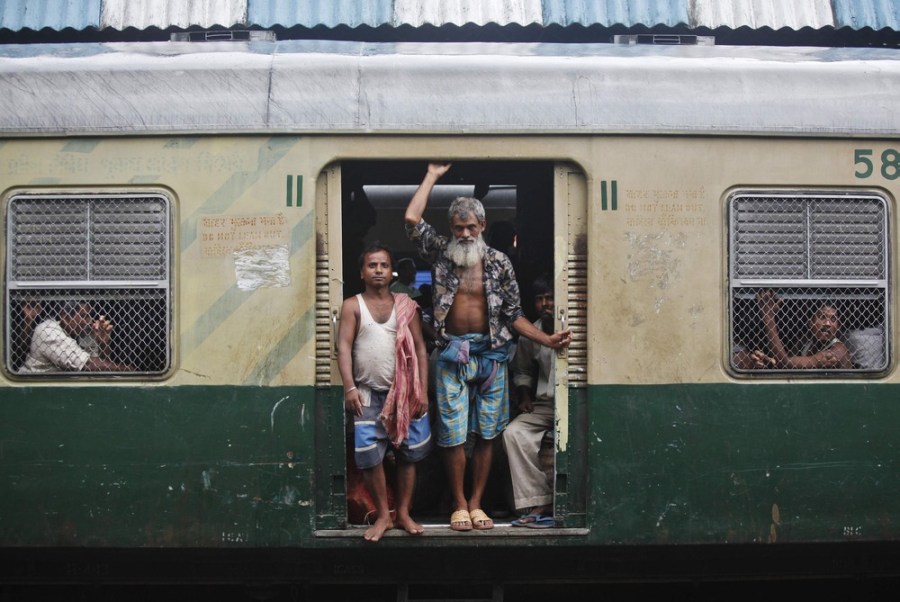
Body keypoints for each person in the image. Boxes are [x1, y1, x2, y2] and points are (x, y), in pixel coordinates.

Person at [405, 162, 571, 532]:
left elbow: (514, 314)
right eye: (458, 227)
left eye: (471, 227)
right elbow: (412, 218)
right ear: (451, 228)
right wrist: (432, 174)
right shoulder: (441, 253)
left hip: (492, 357)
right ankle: (459, 504)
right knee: (452, 434)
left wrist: (546, 339)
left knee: (488, 433)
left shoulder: (499, 263)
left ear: (482, 227)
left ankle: (477, 503)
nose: (464, 233)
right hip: (452, 355)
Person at [337, 242, 433, 541]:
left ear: (392, 272)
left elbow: (419, 348)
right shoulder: (353, 305)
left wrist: (423, 392)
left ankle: (402, 512)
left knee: (408, 455)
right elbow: (343, 347)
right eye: (372, 265)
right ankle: (383, 516)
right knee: (370, 457)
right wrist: (350, 387)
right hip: (366, 393)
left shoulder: (406, 305)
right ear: (362, 272)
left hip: (405, 393)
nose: (378, 270)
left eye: (383, 265)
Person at [505, 278, 556, 528]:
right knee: (514, 433)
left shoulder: (576, 327)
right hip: (546, 406)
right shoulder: (530, 334)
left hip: (572, 404)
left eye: (549, 297)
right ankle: (541, 499)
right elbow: (522, 370)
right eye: (539, 299)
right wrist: (524, 396)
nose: (545, 304)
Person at [746, 289, 852, 370]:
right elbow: (786, 363)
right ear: (810, 322)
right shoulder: (806, 341)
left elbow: (786, 363)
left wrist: (768, 318)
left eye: (833, 319)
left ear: (838, 326)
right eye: (822, 317)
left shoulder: (838, 350)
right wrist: (768, 361)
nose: (828, 324)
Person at [19, 301, 134, 373]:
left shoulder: (86, 332)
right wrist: (128, 370)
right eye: (84, 316)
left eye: (90, 316)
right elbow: (89, 365)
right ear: (66, 317)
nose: (89, 321)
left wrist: (103, 344)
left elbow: (100, 368)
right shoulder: (47, 330)